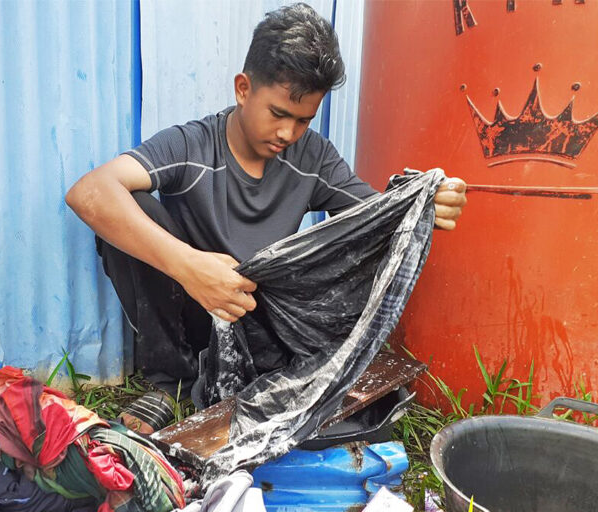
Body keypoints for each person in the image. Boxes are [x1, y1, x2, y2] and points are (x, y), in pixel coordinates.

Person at [66, 3, 466, 409]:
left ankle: (260, 376)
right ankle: (171, 383)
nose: (287, 133)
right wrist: (190, 268)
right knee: (131, 210)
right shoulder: (191, 146)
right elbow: (89, 192)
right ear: (243, 88)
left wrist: (424, 204)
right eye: (278, 113)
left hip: (259, 323)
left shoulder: (313, 156)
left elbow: (376, 219)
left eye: (304, 120)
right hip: (193, 311)